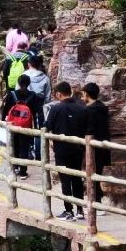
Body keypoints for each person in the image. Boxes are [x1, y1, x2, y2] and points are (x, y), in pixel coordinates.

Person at [46, 81, 86, 222]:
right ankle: (80, 210)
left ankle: (68, 211)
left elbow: (47, 126)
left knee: (65, 180)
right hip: (78, 148)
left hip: (62, 149)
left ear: (58, 94)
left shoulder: (56, 109)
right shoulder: (81, 107)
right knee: (77, 178)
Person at [81, 82, 111, 215]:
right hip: (103, 145)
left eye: (83, 94)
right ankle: (96, 202)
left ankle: (96, 204)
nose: (82, 97)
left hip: (92, 147)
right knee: (97, 174)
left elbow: (87, 128)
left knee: (92, 175)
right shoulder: (103, 108)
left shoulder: (88, 110)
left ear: (86, 94)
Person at [2, 75, 39, 180]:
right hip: (26, 127)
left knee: (14, 146)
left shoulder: (11, 94)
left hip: (12, 125)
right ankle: (23, 172)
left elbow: (5, 110)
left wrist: (2, 122)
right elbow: (35, 112)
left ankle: (15, 167)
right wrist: (36, 126)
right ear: (29, 83)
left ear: (18, 83)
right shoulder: (32, 95)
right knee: (24, 148)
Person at [23, 55, 52, 159]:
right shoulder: (45, 78)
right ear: (39, 65)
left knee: (25, 127)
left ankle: (29, 152)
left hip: (25, 106)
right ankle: (39, 155)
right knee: (39, 129)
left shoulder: (24, 75)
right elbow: (48, 97)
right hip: (39, 106)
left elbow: (18, 91)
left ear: (29, 64)